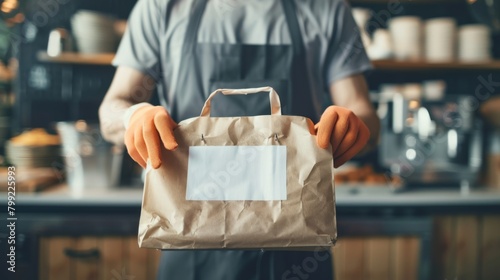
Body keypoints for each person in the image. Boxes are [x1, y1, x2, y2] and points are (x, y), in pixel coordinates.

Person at [99, 0, 380, 279]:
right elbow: (112, 107)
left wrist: (355, 124)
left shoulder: (327, 9)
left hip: (296, 240)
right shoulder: (161, 7)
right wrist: (132, 116)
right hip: (188, 238)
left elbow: (361, 108)